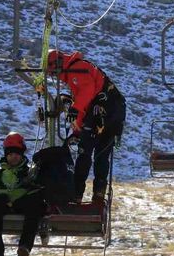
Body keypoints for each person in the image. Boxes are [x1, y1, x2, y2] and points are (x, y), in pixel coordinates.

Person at [46, 50, 126, 205]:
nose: (54, 76)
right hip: (110, 113)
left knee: (91, 154)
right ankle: (91, 194)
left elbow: (86, 93)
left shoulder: (77, 70)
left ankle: (84, 194)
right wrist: (77, 128)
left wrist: (75, 111)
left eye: (52, 72)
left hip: (106, 114)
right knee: (95, 154)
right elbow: (84, 102)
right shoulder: (77, 72)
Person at [0, 132, 45, 256]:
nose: (14, 157)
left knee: (35, 206)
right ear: (6, 155)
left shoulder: (29, 173)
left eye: (17, 154)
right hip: (1, 204)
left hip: (23, 203)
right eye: (11, 154)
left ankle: (24, 246)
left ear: (22, 155)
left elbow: (40, 191)